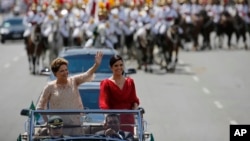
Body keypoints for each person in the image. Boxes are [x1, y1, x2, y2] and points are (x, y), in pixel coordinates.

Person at [36, 51, 103, 135]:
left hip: (76, 127)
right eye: (62, 71)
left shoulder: (73, 81)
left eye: (66, 70)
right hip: (58, 129)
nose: (65, 73)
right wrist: (47, 122)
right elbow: (40, 107)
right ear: (55, 73)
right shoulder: (50, 87)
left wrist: (96, 65)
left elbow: (87, 74)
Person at [99, 55, 140, 133]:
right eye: (116, 66)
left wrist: (134, 111)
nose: (119, 68)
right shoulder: (106, 83)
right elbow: (103, 103)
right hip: (113, 121)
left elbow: (134, 100)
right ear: (111, 67)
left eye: (121, 65)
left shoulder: (130, 82)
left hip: (128, 120)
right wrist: (109, 117)